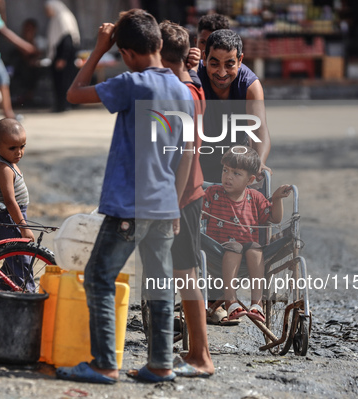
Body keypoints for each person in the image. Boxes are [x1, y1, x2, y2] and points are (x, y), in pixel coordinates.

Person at [55, 9, 193, 384]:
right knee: (160, 286)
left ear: (127, 53)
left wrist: (99, 49)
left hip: (130, 205)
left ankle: (103, 364)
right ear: (161, 44)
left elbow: (73, 93)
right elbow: (185, 157)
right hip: (165, 206)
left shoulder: (133, 83)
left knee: (100, 277)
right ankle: (161, 363)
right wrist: (176, 206)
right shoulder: (184, 93)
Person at [158, 20, 214, 378]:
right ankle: (194, 352)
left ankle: (201, 356)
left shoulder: (186, 93)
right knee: (181, 272)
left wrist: (173, 205)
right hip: (183, 193)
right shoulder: (189, 83)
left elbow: (189, 151)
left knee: (185, 273)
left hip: (183, 195)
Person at [202, 146, 291, 322]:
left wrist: (277, 198)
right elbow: (198, 214)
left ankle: (256, 304)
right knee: (235, 247)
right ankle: (231, 302)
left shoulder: (255, 198)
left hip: (248, 254)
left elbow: (274, 218)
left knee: (256, 249)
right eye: (225, 170)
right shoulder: (213, 193)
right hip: (217, 251)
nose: (228, 176)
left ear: (250, 179)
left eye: (236, 173)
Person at [196, 27, 272, 183]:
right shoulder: (194, 78)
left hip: (235, 161)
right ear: (204, 57)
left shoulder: (250, 86)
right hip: (198, 158)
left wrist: (259, 163)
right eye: (215, 64)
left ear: (240, 60)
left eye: (229, 65)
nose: (222, 73)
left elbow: (258, 129)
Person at [0, 118, 36, 291]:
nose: (19, 152)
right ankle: (28, 298)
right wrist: (23, 226)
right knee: (21, 263)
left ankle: (4, 300)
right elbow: (9, 201)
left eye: (22, 146)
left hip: (14, 217)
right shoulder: (3, 169)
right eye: (12, 148)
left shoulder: (11, 164)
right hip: (8, 220)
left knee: (12, 264)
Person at [44, 0, 80, 112]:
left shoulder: (63, 18)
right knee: (58, 82)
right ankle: (60, 105)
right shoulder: (55, 19)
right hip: (58, 56)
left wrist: (63, 58)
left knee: (64, 82)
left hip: (64, 57)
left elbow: (67, 40)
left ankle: (64, 105)